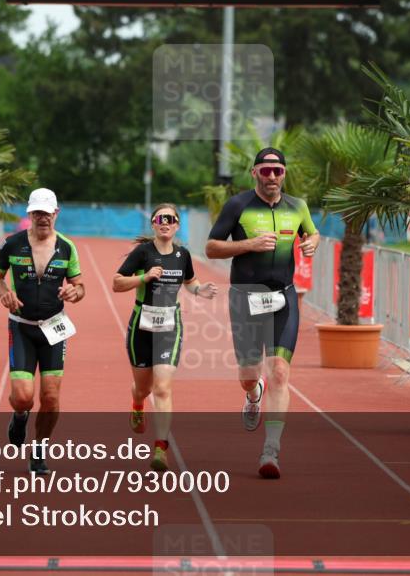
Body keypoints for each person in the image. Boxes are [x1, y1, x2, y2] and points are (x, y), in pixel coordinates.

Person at [205, 148, 319, 478]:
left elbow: (311, 232)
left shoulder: (298, 206)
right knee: (248, 375)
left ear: (284, 174)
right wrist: (248, 246)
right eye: (266, 171)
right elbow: (212, 247)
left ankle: (271, 450)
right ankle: (254, 394)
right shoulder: (238, 206)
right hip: (245, 299)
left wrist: (312, 241)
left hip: (284, 297)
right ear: (254, 173)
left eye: (278, 171)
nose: (272, 177)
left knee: (280, 371)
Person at [113, 203, 217, 471]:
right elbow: (117, 282)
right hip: (141, 326)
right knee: (144, 388)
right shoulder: (142, 253)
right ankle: (137, 403)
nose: (165, 222)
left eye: (171, 218)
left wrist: (199, 290)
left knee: (162, 388)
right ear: (154, 224)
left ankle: (160, 448)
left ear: (177, 225)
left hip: (170, 325)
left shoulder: (183, 255)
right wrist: (144, 278)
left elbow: (190, 281)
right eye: (160, 218)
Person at [0, 188, 85, 475]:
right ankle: (20, 416)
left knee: (52, 397)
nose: (43, 218)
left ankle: (39, 449)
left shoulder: (67, 247)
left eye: (48, 212)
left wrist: (74, 292)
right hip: (22, 328)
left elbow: (80, 286)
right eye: (37, 213)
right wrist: (4, 292)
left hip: (53, 329)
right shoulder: (12, 244)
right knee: (22, 397)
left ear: (56, 214)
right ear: (29, 214)